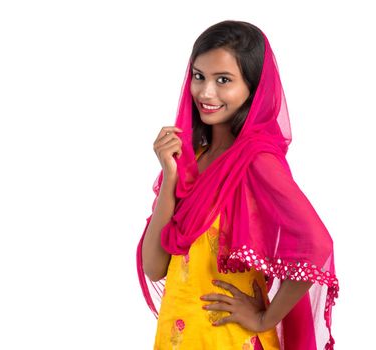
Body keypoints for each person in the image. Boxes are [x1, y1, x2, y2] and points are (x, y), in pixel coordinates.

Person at [136, 20, 339, 350]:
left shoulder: (256, 161)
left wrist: (265, 319)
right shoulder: (192, 158)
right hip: (178, 339)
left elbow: (316, 245)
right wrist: (171, 177)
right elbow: (154, 266)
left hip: (229, 339)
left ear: (252, 89)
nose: (206, 92)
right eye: (199, 76)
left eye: (224, 80)